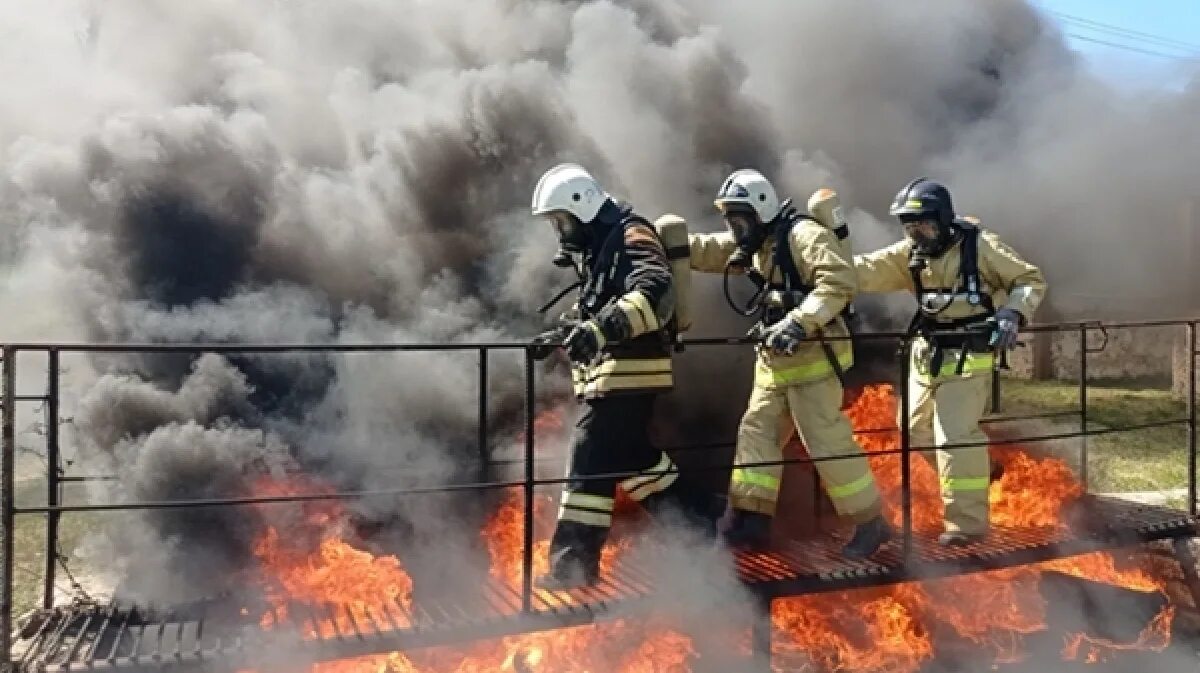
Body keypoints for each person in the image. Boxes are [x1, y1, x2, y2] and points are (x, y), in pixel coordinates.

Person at [687, 168, 891, 558]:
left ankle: (870, 522)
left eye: (740, 219)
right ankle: (750, 519)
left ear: (761, 211)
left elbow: (839, 281)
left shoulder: (804, 236)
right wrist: (660, 242)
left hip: (814, 356)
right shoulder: (760, 244)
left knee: (825, 440)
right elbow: (709, 250)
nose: (734, 228)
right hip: (774, 361)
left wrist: (798, 322)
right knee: (756, 433)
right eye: (730, 219)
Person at [529, 163, 715, 589]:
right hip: (612, 373)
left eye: (561, 221)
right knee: (633, 458)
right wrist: (562, 332)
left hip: (631, 372)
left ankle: (574, 564)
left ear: (582, 206)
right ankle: (699, 517)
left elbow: (655, 291)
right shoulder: (601, 246)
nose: (560, 232)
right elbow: (597, 304)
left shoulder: (632, 235)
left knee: (589, 455)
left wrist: (601, 329)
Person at [854, 177, 1046, 546]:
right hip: (926, 354)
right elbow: (864, 270)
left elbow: (1029, 280)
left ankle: (967, 525)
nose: (917, 234)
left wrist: (1012, 314)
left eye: (923, 225)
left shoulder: (981, 247)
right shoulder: (909, 253)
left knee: (954, 437)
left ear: (942, 219)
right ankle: (983, 470)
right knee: (911, 429)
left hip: (968, 358)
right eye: (909, 227)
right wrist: (821, 265)